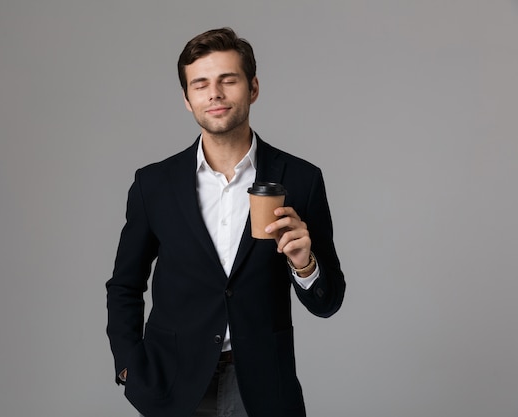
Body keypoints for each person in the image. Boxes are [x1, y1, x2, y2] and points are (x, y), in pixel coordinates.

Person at [106, 27, 346, 417]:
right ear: (187, 99)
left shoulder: (301, 179)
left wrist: (305, 265)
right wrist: (127, 365)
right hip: (173, 384)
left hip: (263, 387)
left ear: (253, 88)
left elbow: (328, 302)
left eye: (227, 80)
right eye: (200, 84)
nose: (213, 94)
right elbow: (124, 285)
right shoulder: (154, 184)